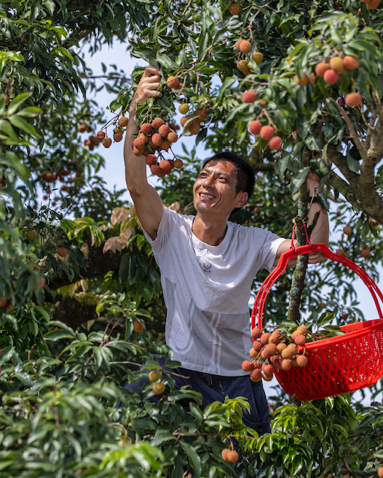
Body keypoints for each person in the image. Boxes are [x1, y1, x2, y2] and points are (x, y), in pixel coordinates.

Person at [123, 66, 330, 434]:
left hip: (237, 377)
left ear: (240, 198)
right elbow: (138, 186)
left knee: (248, 463)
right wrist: (136, 110)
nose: (207, 183)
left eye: (221, 179)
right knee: (127, 425)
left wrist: (314, 186)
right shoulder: (171, 230)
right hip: (180, 369)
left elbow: (311, 250)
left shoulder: (252, 241)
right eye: (204, 175)